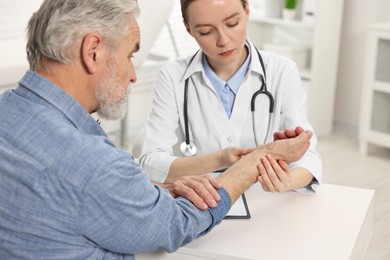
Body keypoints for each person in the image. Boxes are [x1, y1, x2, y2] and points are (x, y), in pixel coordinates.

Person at [0, 0, 314, 259]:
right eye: (130, 54)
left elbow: (85, 193)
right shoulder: (93, 163)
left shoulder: (6, 110)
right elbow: (176, 225)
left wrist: (155, 191)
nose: (134, 74)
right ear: (92, 51)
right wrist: (250, 164)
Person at [139, 0, 322, 193]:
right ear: (188, 28)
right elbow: (150, 162)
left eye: (232, 23)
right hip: (201, 202)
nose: (223, 40)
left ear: (247, 10)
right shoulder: (173, 76)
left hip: (262, 200)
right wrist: (220, 159)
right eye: (206, 32)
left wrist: (286, 181)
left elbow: (308, 155)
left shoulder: (282, 71)